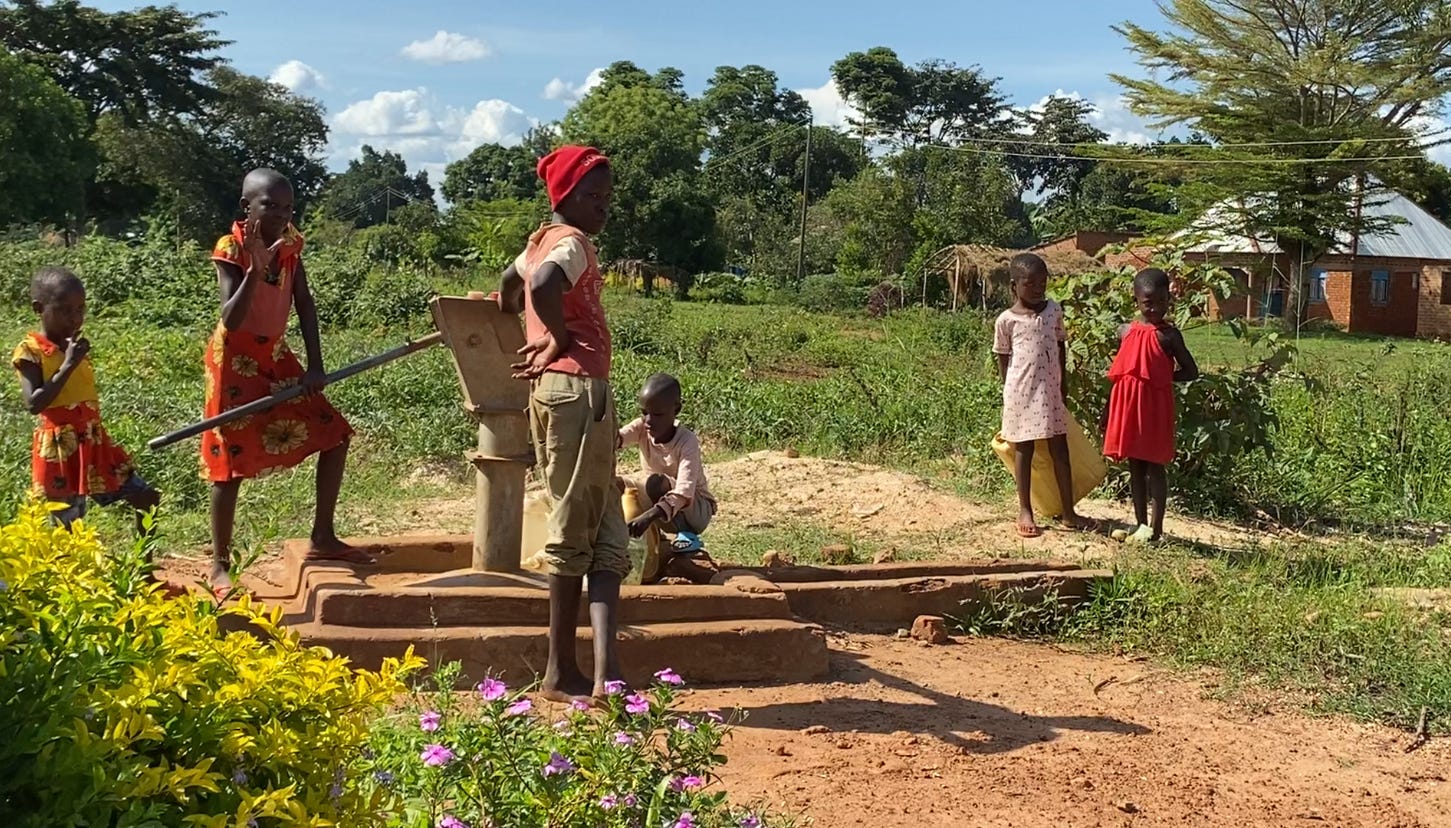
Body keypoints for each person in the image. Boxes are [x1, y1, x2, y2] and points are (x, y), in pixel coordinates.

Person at [498, 145, 628, 702]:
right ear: (565, 196)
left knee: (601, 527)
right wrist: (558, 337)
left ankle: (603, 674)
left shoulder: (539, 240)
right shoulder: (572, 243)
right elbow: (545, 285)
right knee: (574, 524)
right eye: (593, 197)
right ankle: (559, 672)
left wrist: (531, 326)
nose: (602, 207)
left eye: (606, 198)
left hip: (567, 392)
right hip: (576, 389)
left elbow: (512, 285)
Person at [204, 168, 367, 592]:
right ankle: (219, 564)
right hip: (235, 360)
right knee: (228, 463)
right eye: (269, 206)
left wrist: (315, 366)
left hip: (275, 354)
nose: (279, 215)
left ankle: (322, 536)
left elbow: (305, 303)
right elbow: (230, 318)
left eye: (287, 207)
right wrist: (256, 270)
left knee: (335, 434)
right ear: (247, 206)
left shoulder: (292, 243)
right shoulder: (231, 248)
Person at [13, 267, 162, 537]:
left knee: (146, 497)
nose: (75, 318)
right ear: (39, 308)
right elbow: (35, 403)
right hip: (60, 448)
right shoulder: (31, 351)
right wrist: (68, 364)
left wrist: (72, 358)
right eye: (64, 310)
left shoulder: (74, 346)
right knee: (66, 526)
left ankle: (143, 572)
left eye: (80, 309)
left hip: (94, 442)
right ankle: (65, 578)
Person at [993, 253, 1095, 539]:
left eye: (1043, 282)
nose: (1038, 288)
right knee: (1024, 450)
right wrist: (1009, 391)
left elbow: (1061, 347)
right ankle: (1025, 510)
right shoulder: (1006, 320)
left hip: (1050, 393)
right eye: (1030, 283)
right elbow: (1003, 358)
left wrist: (1064, 382)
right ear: (1014, 286)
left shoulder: (1053, 311)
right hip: (1021, 394)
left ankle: (1068, 512)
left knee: (1059, 451)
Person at [1103, 268, 1199, 543]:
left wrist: (1162, 377)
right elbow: (1121, 376)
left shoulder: (1169, 336)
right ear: (1136, 301)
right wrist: (1108, 412)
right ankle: (1140, 526)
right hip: (1129, 409)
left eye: (1161, 301)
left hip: (1155, 409)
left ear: (1169, 299)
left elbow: (1191, 371)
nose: (1155, 308)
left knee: (1155, 465)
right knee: (1135, 466)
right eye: (1148, 303)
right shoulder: (1126, 332)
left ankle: (1156, 531)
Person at [617, 373, 717, 582]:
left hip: (694, 511)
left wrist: (647, 517)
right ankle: (636, 539)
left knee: (656, 482)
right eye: (644, 413)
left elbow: (684, 491)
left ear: (676, 410)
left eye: (658, 414)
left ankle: (685, 537)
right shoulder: (641, 427)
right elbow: (616, 439)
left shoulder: (686, 441)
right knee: (618, 485)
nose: (649, 421)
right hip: (660, 503)